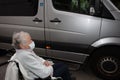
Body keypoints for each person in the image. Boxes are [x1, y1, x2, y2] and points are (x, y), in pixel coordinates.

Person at [6, 31, 71, 80]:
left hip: (41, 69)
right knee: (64, 67)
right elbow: (44, 74)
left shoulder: (24, 50)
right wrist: (49, 66)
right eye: (30, 41)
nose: (32, 41)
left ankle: (66, 76)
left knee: (61, 65)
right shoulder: (25, 56)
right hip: (41, 76)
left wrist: (44, 61)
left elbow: (36, 57)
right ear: (22, 45)